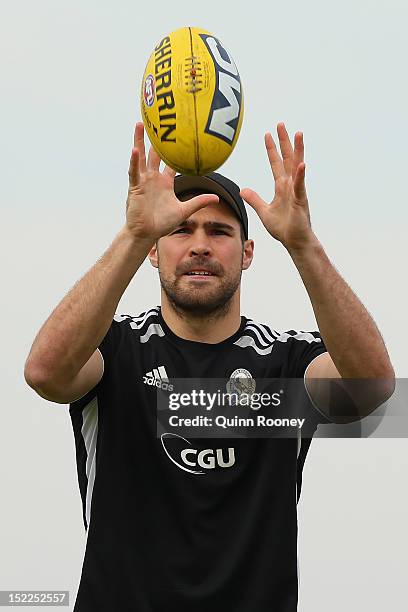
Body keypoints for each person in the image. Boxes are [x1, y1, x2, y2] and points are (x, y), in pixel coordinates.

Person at [24, 121, 395, 611]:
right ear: (155, 252)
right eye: (181, 229)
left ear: (246, 254)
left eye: (219, 231)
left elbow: (372, 389)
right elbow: (44, 373)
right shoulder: (117, 351)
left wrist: (304, 245)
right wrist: (135, 234)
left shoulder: (281, 365)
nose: (200, 245)